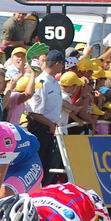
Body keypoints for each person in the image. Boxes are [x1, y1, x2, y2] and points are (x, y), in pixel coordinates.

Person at [27, 49, 64, 185]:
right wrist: (50, 124)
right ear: (57, 64)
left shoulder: (54, 82)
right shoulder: (41, 82)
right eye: (61, 63)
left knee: (48, 165)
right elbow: (34, 112)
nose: (62, 66)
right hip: (40, 129)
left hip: (50, 128)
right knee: (40, 164)